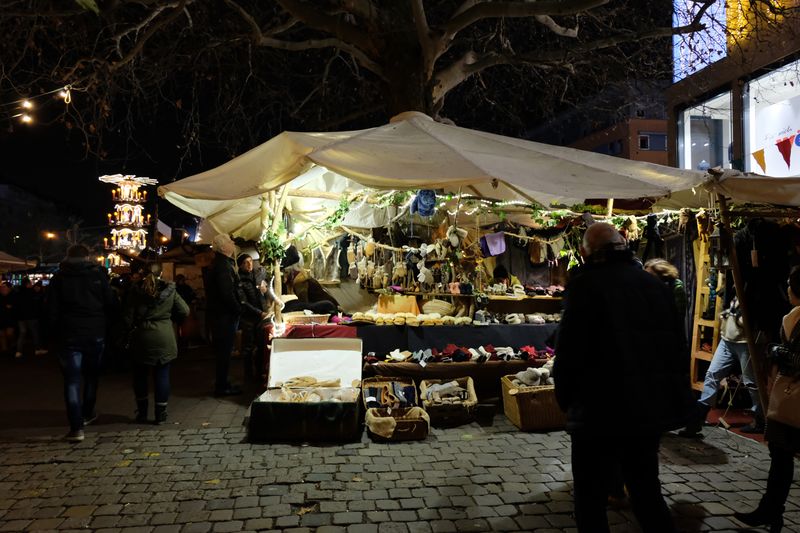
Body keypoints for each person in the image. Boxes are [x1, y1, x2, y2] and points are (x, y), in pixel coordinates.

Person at [554, 222, 692, 533]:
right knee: (646, 491)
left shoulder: (585, 285)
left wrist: (565, 398)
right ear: (622, 244)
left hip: (596, 411)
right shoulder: (654, 286)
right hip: (645, 409)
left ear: (586, 252)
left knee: (590, 497)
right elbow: (674, 347)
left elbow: (569, 350)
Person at [734, 266, 800, 532]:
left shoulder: (793, 319)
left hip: (791, 397)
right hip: (788, 396)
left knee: (781, 456)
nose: (786, 289)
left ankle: (771, 509)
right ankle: (771, 509)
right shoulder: (791, 318)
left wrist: (778, 352)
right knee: (780, 456)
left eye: (789, 284)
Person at [46, 244, 117, 442]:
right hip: (95, 332)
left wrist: (51, 335)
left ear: (67, 257)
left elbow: (51, 310)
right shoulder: (97, 276)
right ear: (87, 257)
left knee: (72, 380)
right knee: (92, 376)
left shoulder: (59, 278)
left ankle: (76, 427)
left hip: (68, 334)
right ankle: (87, 412)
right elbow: (110, 303)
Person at [679, 295, 763, 437]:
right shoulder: (734, 287)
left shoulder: (753, 288)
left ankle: (760, 419)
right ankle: (699, 416)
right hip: (727, 340)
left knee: (751, 382)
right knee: (712, 374)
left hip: (745, 340)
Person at [122, 263, 189, 424]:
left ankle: (142, 412)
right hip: (164, 336)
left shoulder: (135, 291)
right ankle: (160, 413)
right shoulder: (170, 290)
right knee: (162, 374)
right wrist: (170, 318)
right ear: (161, 273)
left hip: (141, 337)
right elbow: (184, 310)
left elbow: (127, 317)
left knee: (140, 376)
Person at [204, 234, 242, 396]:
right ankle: (222, 387)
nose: (232, 243)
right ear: (223, 247)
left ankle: (223, 384)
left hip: (220, 316)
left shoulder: (220, 264)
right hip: (224, 317)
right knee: (224, 353)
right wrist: (238, 310)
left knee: (224, 353)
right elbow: (227, 294)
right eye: (229, 241)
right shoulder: (222, 266)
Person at [237, 254, 269, 381]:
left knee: (261, 345)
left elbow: (266, 282)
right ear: (240, 265)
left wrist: (265, 288)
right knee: (248, 347)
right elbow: (243, 301)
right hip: (249, 318)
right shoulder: (239, 279)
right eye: (245, 262)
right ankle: (249, 375)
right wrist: (259, 313)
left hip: (261, 315)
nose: (249, 264)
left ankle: (260, 371)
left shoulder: (257, 273)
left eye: (250, 261)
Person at [281, 245, 340, 315]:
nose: (284, 275)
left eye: (285, 272)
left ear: (290, 270)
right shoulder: (300, 277)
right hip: (328, 306)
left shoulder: (300, 281)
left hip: (329, 310)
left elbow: (305, 304)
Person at [14, 277, 47, 358]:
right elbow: (36, 304)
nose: (32, 284)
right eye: (30, 283)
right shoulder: (32, 292)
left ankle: (18, 351)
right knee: (35, 333)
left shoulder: (18, 292)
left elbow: (16, 305)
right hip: (31, 316)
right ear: (28, 284)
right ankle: (37, 349)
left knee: (22, 333)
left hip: (21, 317)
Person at [0, 281, 16, 357]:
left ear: (9, 288)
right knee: (1, 335)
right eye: (1, 287)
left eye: (4, 287)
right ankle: (4, 350)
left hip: (10, 318)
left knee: (9, 334)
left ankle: (12, 344)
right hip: (1, 318)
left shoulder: (13, 295)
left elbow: (14, 307)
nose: (2, 288)